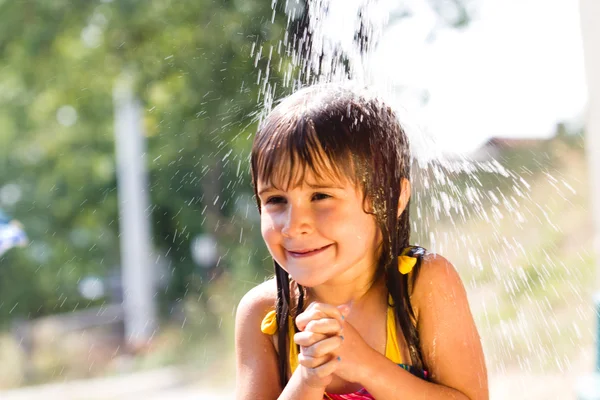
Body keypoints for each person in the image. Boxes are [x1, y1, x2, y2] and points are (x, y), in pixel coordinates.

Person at [235, 84, 488, 399]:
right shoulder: (265, 314)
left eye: (321, 196)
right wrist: (309, 378)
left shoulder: (424, 285)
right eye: (275, 200)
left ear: (393, 199)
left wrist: (366, 365)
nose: (293, 225)